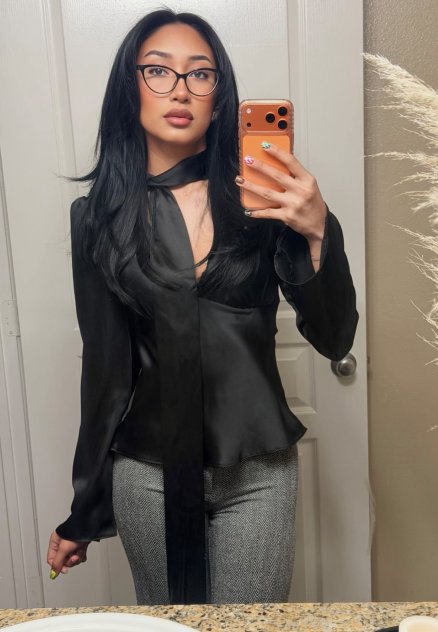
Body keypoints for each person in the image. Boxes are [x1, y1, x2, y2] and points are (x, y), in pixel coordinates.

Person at [46, 9, 358, 606]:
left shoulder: (266, 202)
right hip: (148, 474)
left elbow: (334, 336)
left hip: (258, 469)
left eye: (201, 74)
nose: (181, 89)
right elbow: (106, 374)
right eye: (158, 70)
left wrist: (320, 230)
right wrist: (84, 509)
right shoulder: (97, 219)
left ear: (219, 98)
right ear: (130, 88)